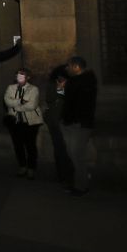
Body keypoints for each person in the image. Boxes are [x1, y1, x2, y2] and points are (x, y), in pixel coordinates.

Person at [61, 56, 97, 196]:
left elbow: (77, 102)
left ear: (76, 67)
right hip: (72, 122)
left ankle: (81, 186)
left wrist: (66, 86)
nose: (67, 68)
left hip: (79, 123)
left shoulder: (82, 82)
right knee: (73, 153)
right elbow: (66, 99)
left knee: (77, 155)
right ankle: (78, 182)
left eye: (69, 66)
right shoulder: (76, 81)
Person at [4, 68, 43, 179]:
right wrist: (21, 101)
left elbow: (32, 105)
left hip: (31, 122)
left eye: (22, 75)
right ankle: (22, 166)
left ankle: (31, 168)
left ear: (28, 77)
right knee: (18, 145)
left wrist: (15, 104)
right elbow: (7, 101)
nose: (19, 77)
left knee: (30, 145)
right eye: (18, 75)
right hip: (15, 122)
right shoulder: (10, 88)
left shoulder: (33, 89)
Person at [44, 65, 72, 187]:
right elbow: (50, 98)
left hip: (66, 119)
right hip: (54, 120)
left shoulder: (71, 83)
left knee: (67, 148)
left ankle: (69, 171)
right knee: (59, 146)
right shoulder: (52, 84)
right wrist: (60, 89)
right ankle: (62, 173)